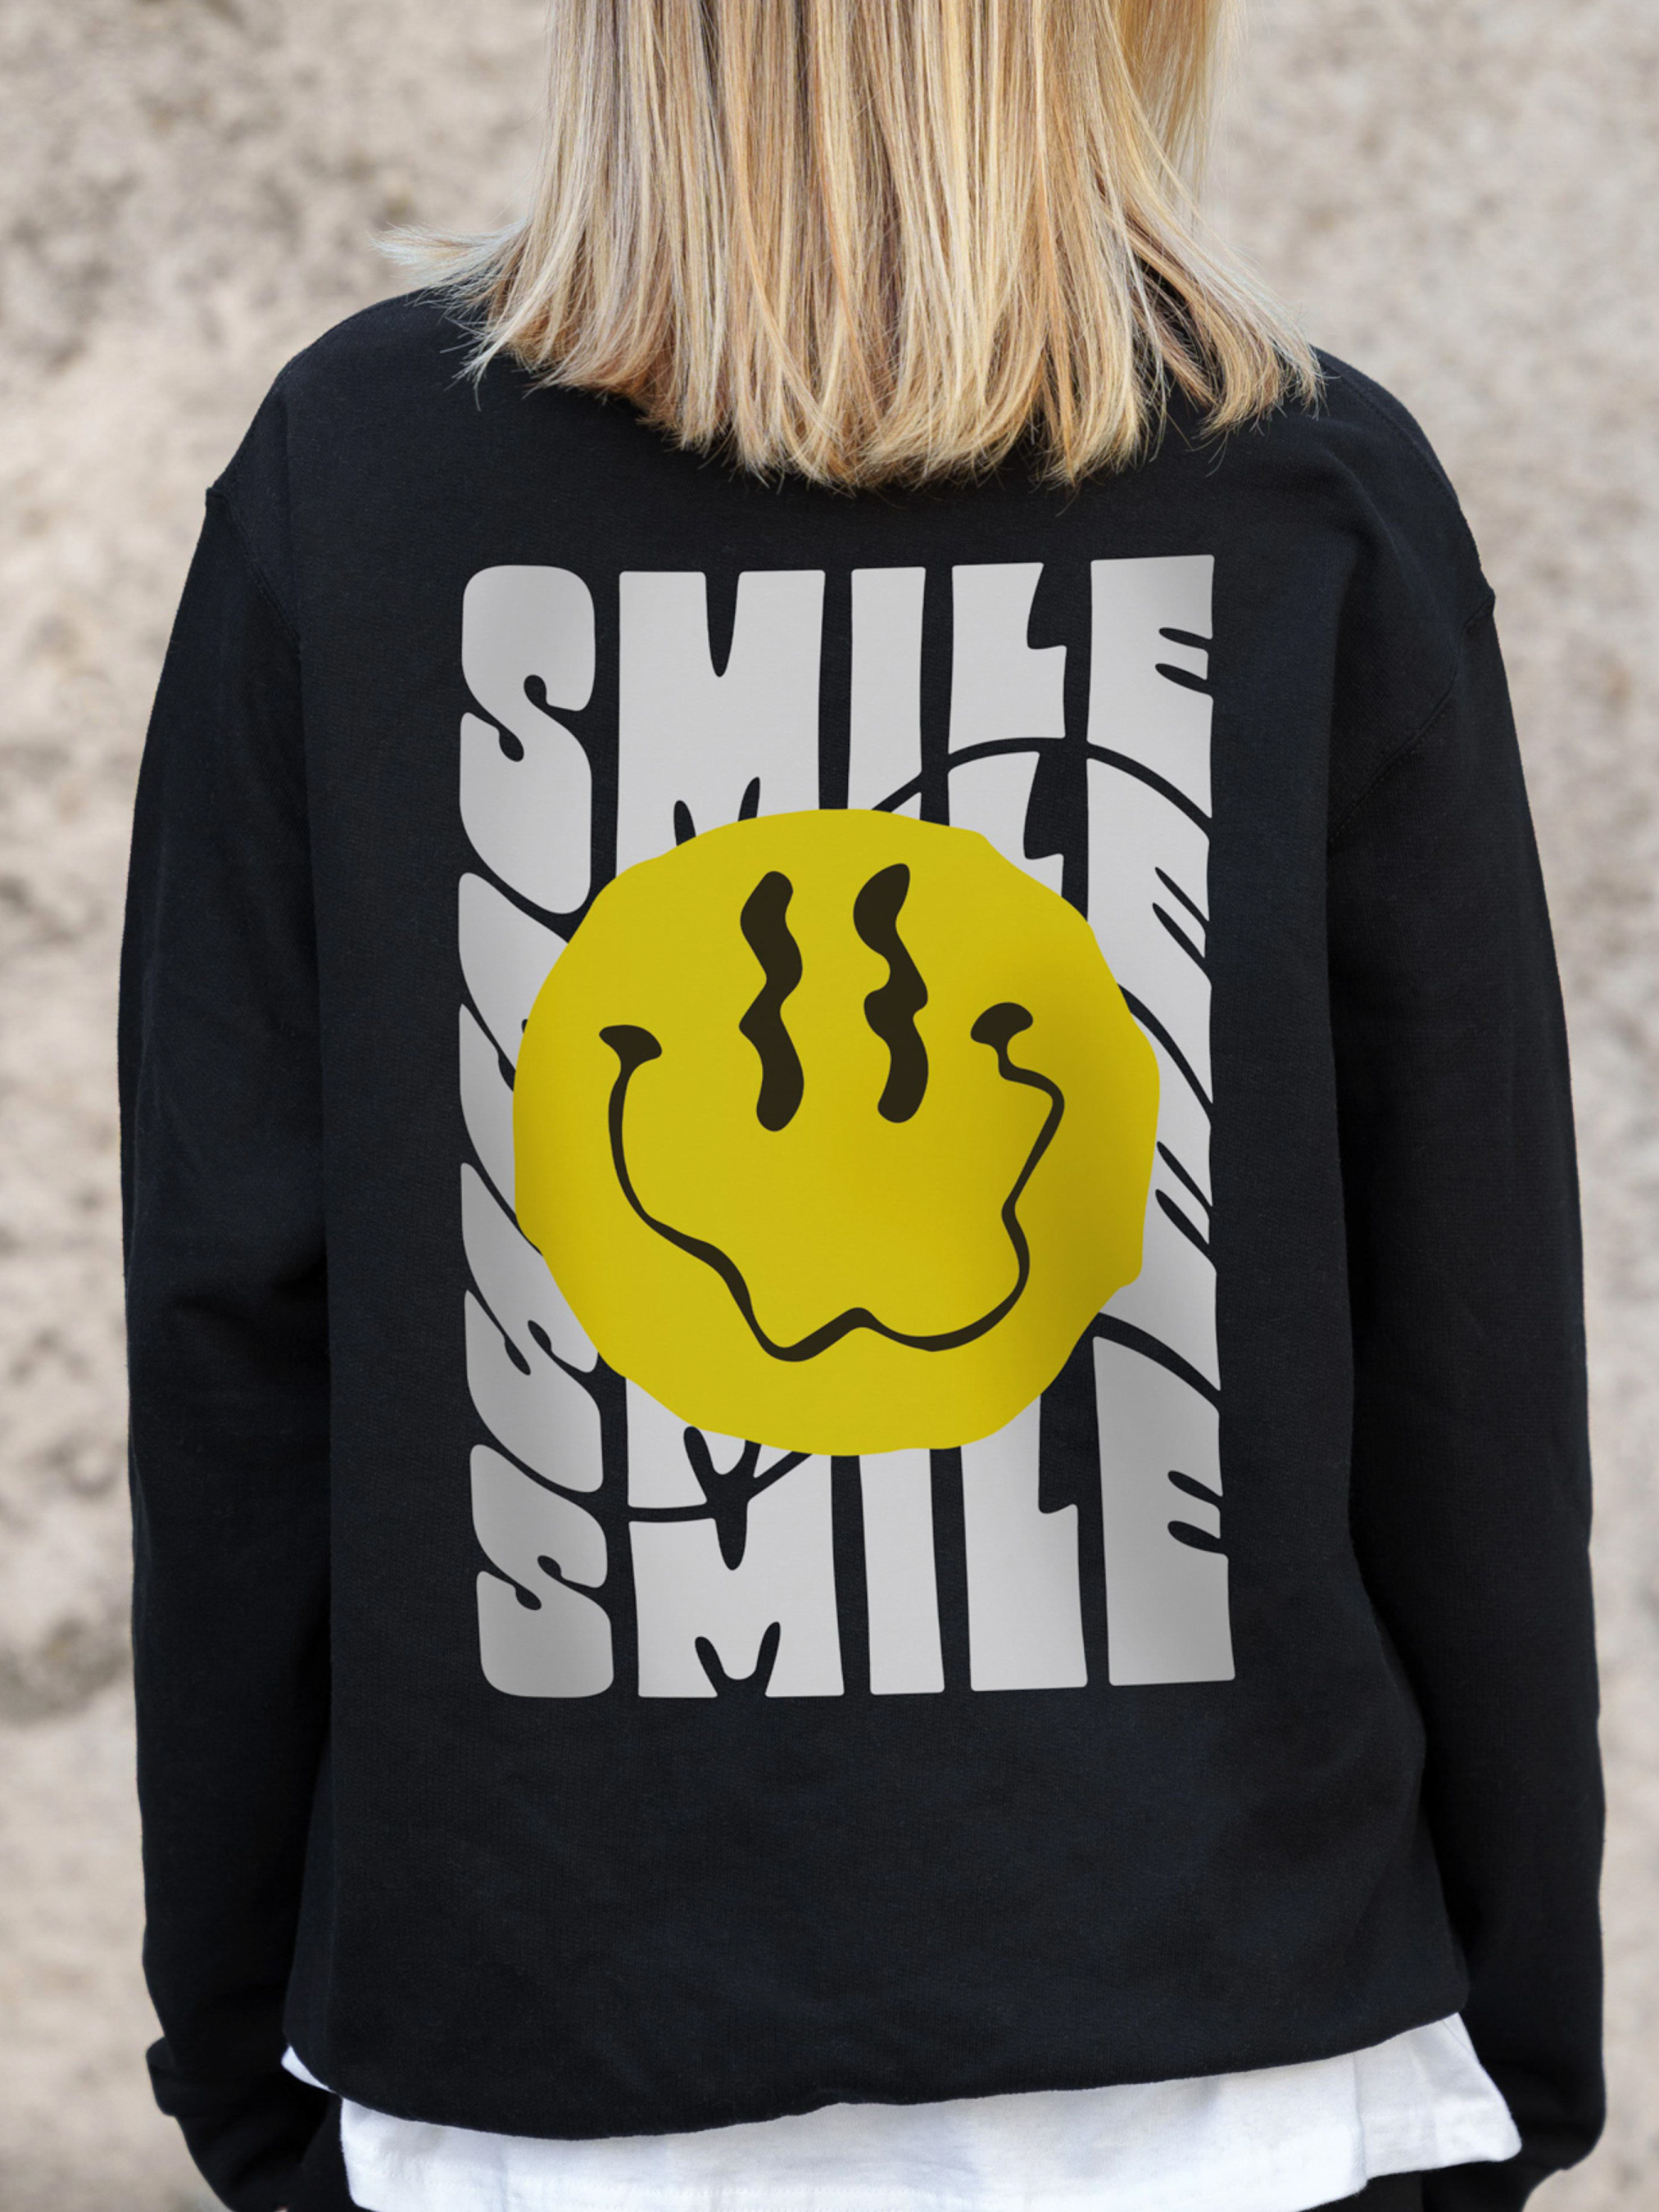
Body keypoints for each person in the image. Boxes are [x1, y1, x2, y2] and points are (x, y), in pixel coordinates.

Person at [120, 2, 1603, 2210]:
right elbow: (1466, 1331)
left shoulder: (360, 484)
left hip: (540, 2063)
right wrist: (1520, 2034)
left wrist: (247, 2039)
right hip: (1230, 2053)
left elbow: (233, 1319)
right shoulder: (1308, 496)